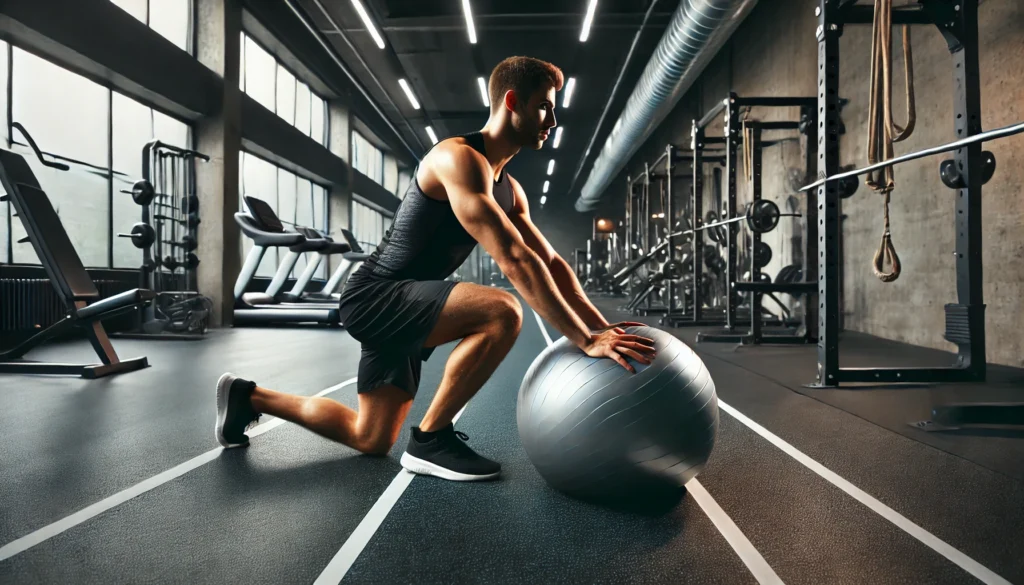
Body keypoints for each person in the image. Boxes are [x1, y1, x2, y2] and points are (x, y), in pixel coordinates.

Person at [215, 56, 657, 482]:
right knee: (503, 310)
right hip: (377, 295)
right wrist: (583, 338)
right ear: (511, 102)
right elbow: (515, 259)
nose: (552, 120)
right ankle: (431, 439)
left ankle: (247, 396)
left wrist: (602, 330)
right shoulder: (458, 158)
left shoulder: (511, 190)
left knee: (368, 437)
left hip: (404, 301)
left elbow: (551, 263)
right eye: (544, 106)